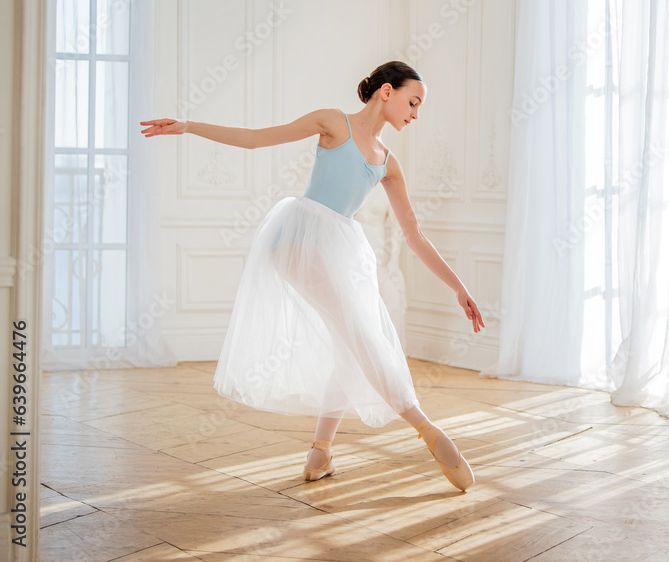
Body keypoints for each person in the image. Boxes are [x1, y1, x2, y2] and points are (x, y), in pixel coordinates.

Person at [139, 61, 484, 491]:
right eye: (413, 102)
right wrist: (189, 126)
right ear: (386, 92)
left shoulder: (389, 163)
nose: (416, 114)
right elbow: (257, 138)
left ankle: (320, 451)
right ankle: (427, 429)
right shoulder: (334, 123)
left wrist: (459, 287)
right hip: (298, 240)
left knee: (349, 344)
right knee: (360, 333)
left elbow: (414, 235)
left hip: (340, 248)